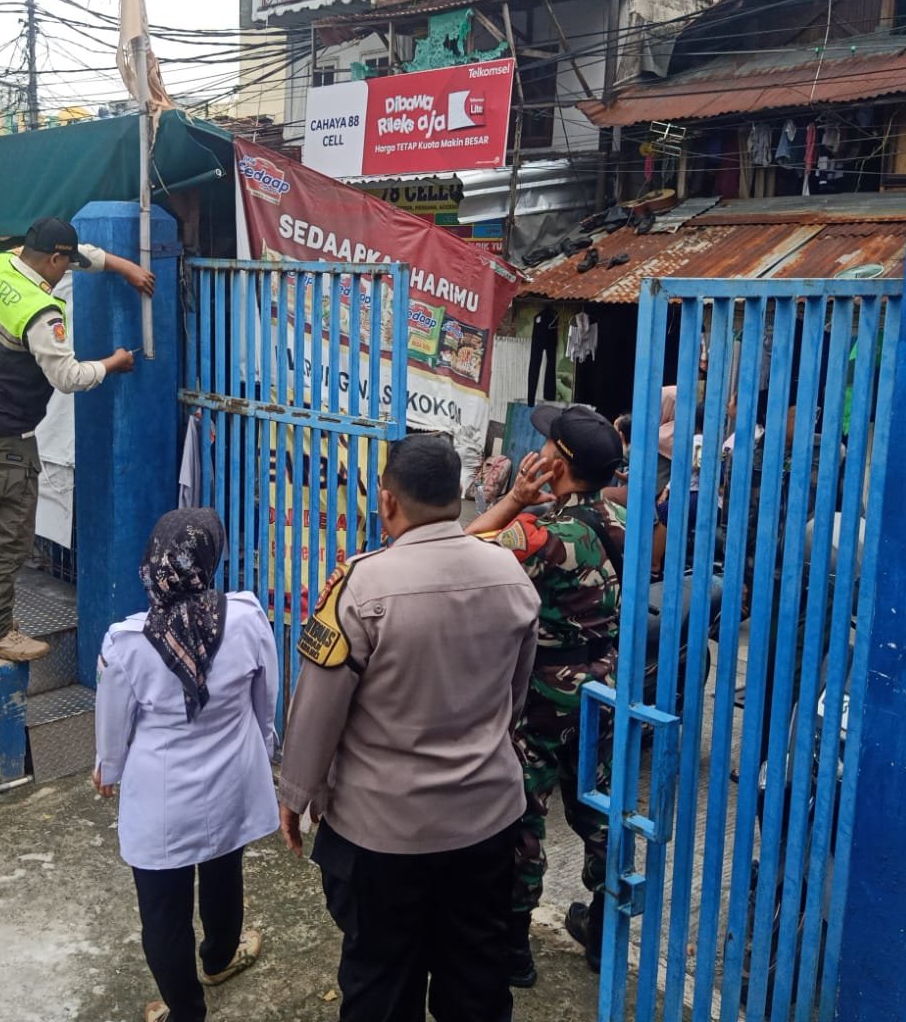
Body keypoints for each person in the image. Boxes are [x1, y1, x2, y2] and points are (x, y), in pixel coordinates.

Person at [278, 434, 540, 1022]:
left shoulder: (361, 586)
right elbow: (514, 696)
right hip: (486, 818)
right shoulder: (510, 573)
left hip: (382, 832)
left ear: (388, 501)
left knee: (380, 982)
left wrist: (296, 795)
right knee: (476, 979)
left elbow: (317, 708)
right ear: (458, 494)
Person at [93, 509, 277, 1022]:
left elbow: (113, 726)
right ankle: (219, 959)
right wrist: (263, 746)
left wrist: (108, 768)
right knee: (224, 871)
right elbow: (266, 700)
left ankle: (186, 1012)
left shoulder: (128, 642)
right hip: (232, 778)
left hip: (162, 798)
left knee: (164, 913)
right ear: (209, 559)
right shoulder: (246, 618)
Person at [465, 403, 627, 982]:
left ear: (558, 466)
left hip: (544, 694)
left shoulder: (544, 535)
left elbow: (459, 551)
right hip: (603, 686)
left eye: (548, 448)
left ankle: (513, 947)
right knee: (599, 805)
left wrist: (513, 499)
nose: (540, 451)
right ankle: (605, 934)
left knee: (524, 813)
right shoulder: (619, 521)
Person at [0, 215, 153, 661]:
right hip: (3, 435)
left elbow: (78, 256)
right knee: (8, 537)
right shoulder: (40, 312)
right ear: (54, 259)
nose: (68, 269)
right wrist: (113, 363)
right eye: (66, 262)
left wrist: (123, 267)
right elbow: (68, 376)